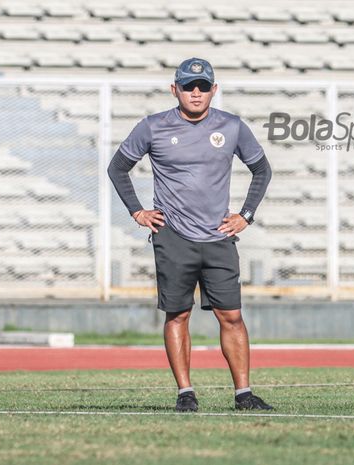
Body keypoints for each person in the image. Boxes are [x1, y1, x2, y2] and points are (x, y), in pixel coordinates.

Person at [107, 57, 273, 412]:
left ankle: (244, 394)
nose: (195, 93)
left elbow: (261, 169)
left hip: (218, 237)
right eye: (188, 86)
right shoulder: (153, 127)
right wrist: (137, 211)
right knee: (178, 314)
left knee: (231, 316)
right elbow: (118, 167)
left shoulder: (231, 127)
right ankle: (186, 393)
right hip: (174, 237)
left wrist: (245, 215)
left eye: (202, 86)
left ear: (214, 89)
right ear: (175, 90)